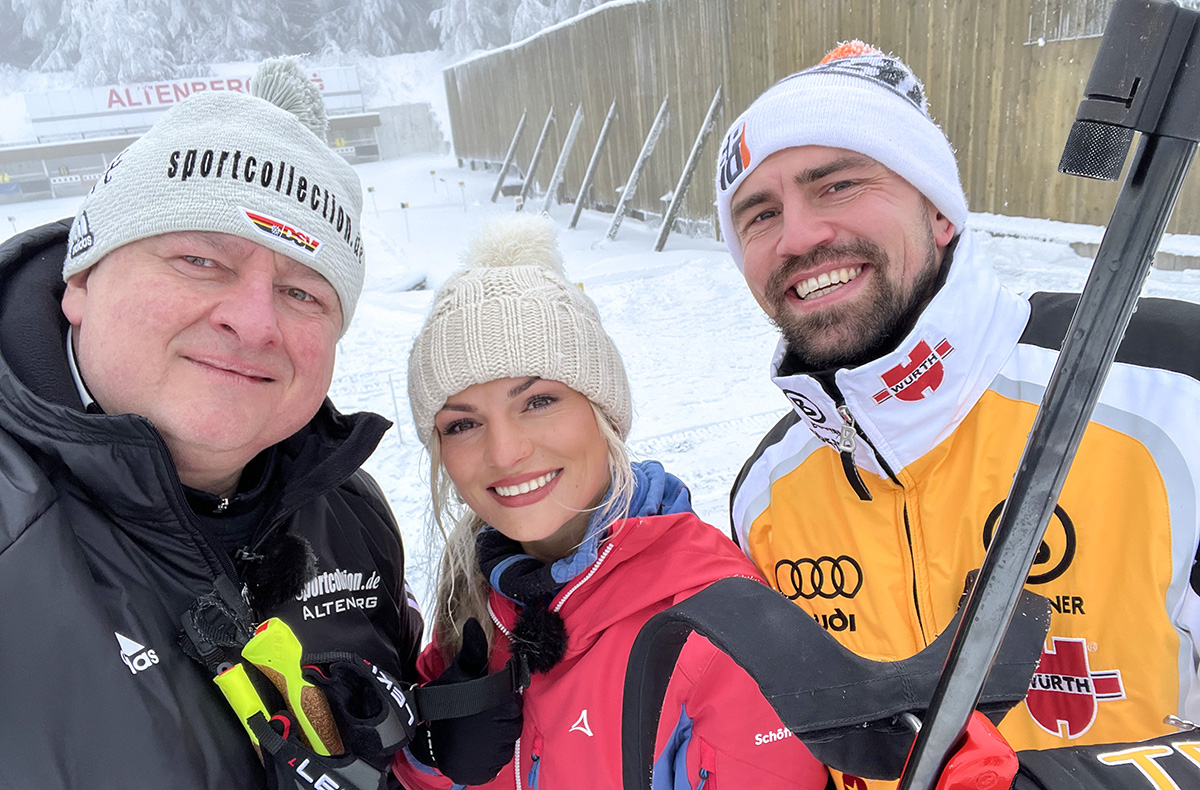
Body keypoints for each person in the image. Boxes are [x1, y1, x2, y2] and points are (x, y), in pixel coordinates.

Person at [715, 40, 1200, 787]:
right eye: (759, 215)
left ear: (939, 210)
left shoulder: (1171, 392)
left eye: (839, 185)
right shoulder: (768, 496)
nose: (798, 236)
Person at [0, 57, 423, 789]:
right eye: (200, 259)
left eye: (303, 293)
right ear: (82, 280)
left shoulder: (349, 513)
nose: (255, 321)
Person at [390, 214, 830, 789]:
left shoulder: (718, 631)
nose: (504, 452)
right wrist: (427, 753)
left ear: (602, 412)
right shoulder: (473, 608)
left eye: (538, 401)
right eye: (462, 424)